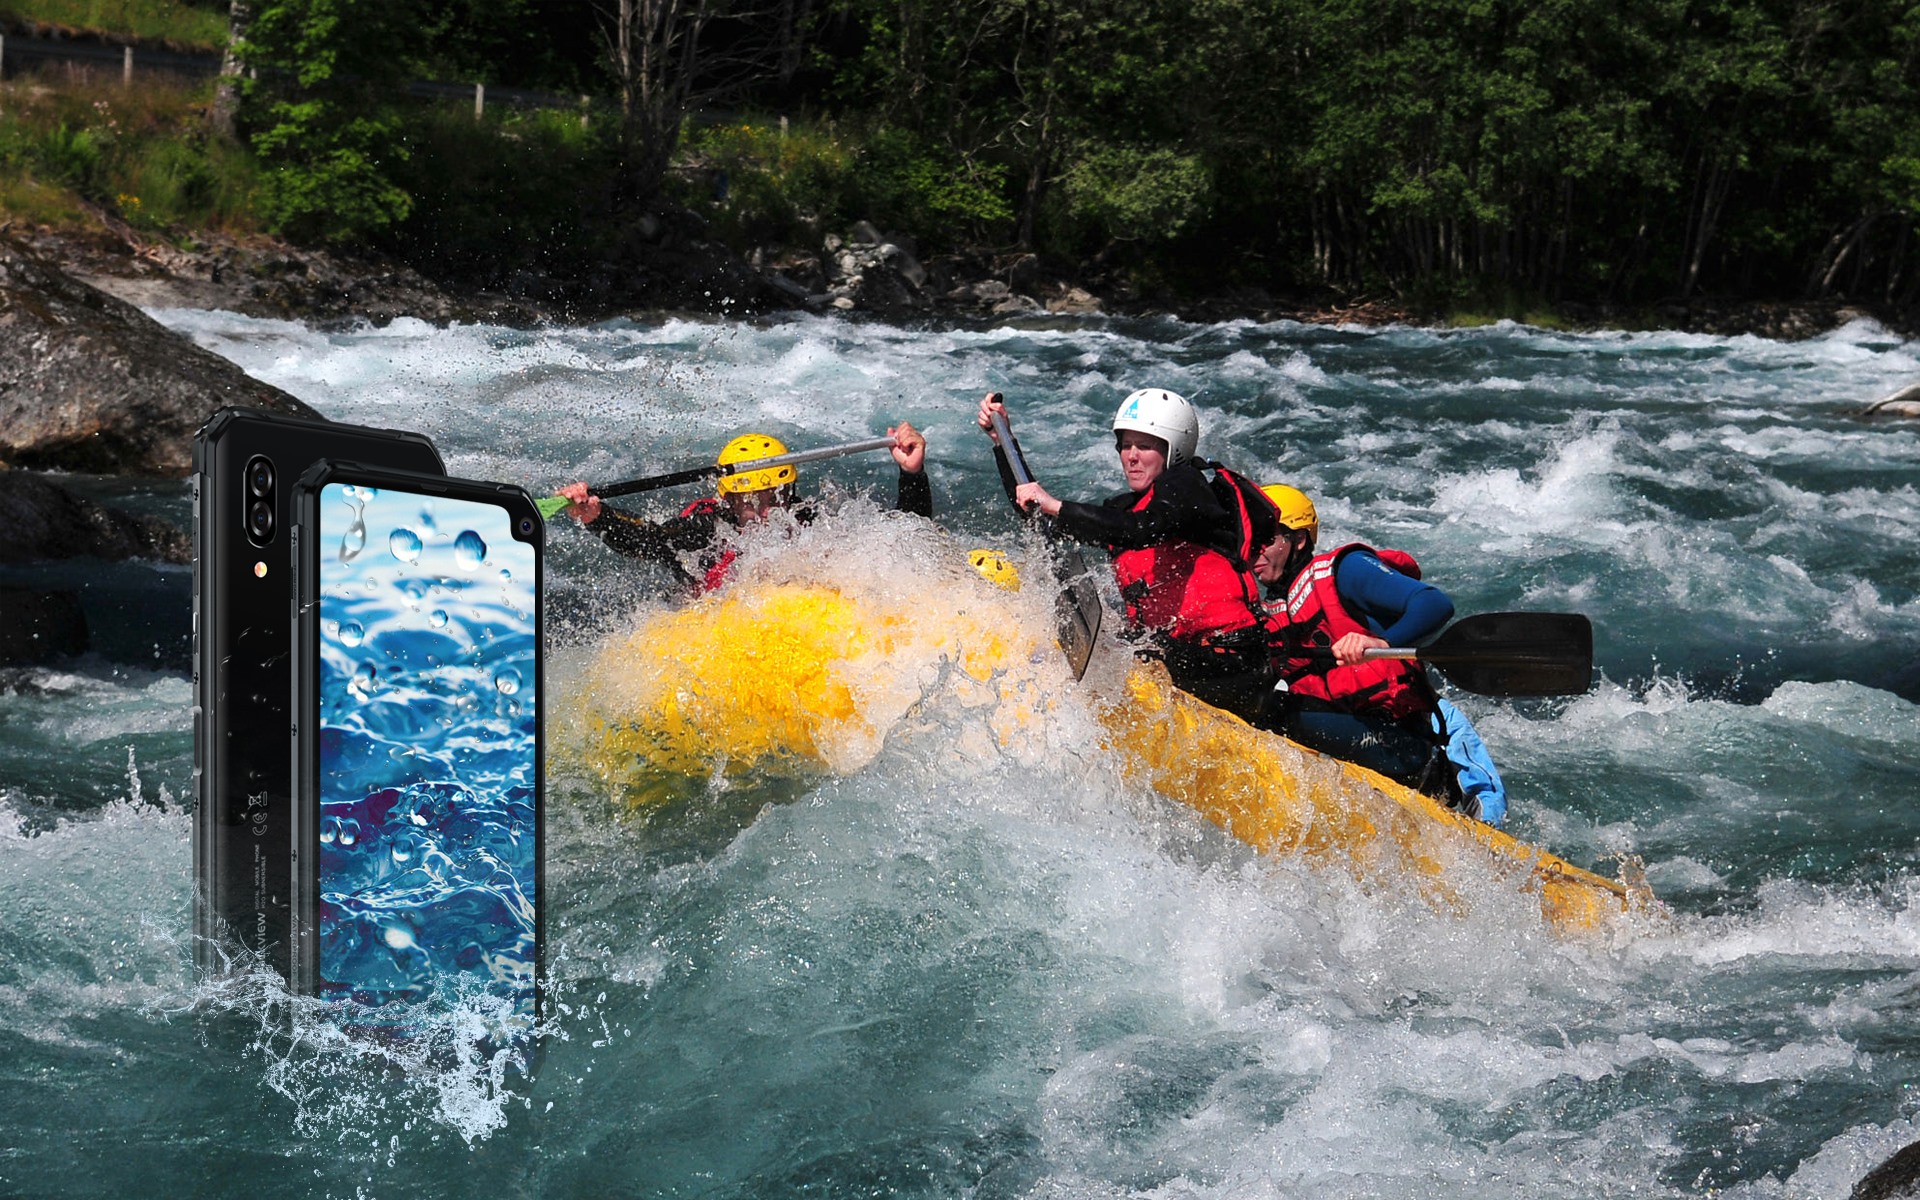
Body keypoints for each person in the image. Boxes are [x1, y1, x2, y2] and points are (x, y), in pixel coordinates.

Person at [977, 389, 1274, 722]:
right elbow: (1039, 517)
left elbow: (1144, 529)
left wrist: (1057, 505)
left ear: (1174, 450)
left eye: (1145, 446)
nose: (1131, 456)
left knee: (1129, 652)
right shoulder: (1122, 512)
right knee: (1115, 646)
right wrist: (1005, 445)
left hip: (1233, 662)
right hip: (1181, 654)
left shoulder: (1190, 486)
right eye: (1126, 445)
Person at [1253, 483, 1507, 825]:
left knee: (1278, 714)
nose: (1256, 551)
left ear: (1298, 540)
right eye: (1251, 540)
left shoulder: (1345, 571)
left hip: (1414, 744)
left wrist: (1384, 643)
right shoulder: (1266, 612)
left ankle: (1459, 793)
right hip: (1353, 738)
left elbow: (1434, 603)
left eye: (1267, 540)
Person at [558, 424, 931, 595]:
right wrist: (598, 516)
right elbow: (652, 541)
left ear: (791, 492)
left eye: (775, 498)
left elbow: (902, 540)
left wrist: (911, 475)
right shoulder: (707, 529)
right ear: (729, 501)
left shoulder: (809, 519)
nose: (766, 513)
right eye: (750, 503)